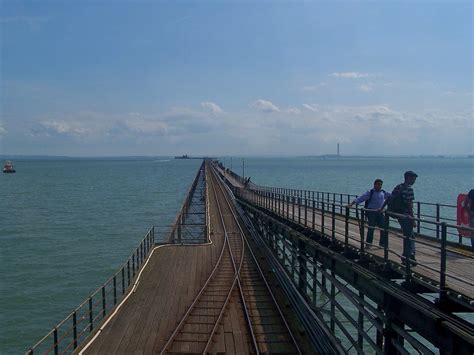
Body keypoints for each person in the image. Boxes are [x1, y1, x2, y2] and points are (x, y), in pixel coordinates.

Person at [384, 171, 418, 265]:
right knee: (409, 236)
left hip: (398, 214)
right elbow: (409, 205)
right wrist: (413, 219)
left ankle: (409, 256)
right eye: (413, 179)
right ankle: (408, 257)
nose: (414, 181)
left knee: (409, 235)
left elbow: (389, 198)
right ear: (408, 178)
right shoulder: (409, 189)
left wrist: (382, 208)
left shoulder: (398, 187)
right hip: (406, 215)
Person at [348, 179, 391, 248]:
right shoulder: (370, 192)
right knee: (371, 228)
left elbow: (391, 196)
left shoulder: (383, 192)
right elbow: (361, 198)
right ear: (374, 185)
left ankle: (382, 244)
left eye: (380, 185)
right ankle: (368, 244)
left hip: (380, 212)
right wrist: (351, 204)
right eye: (378, 184)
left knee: (383, 228)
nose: (379, 186)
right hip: (371, 212)